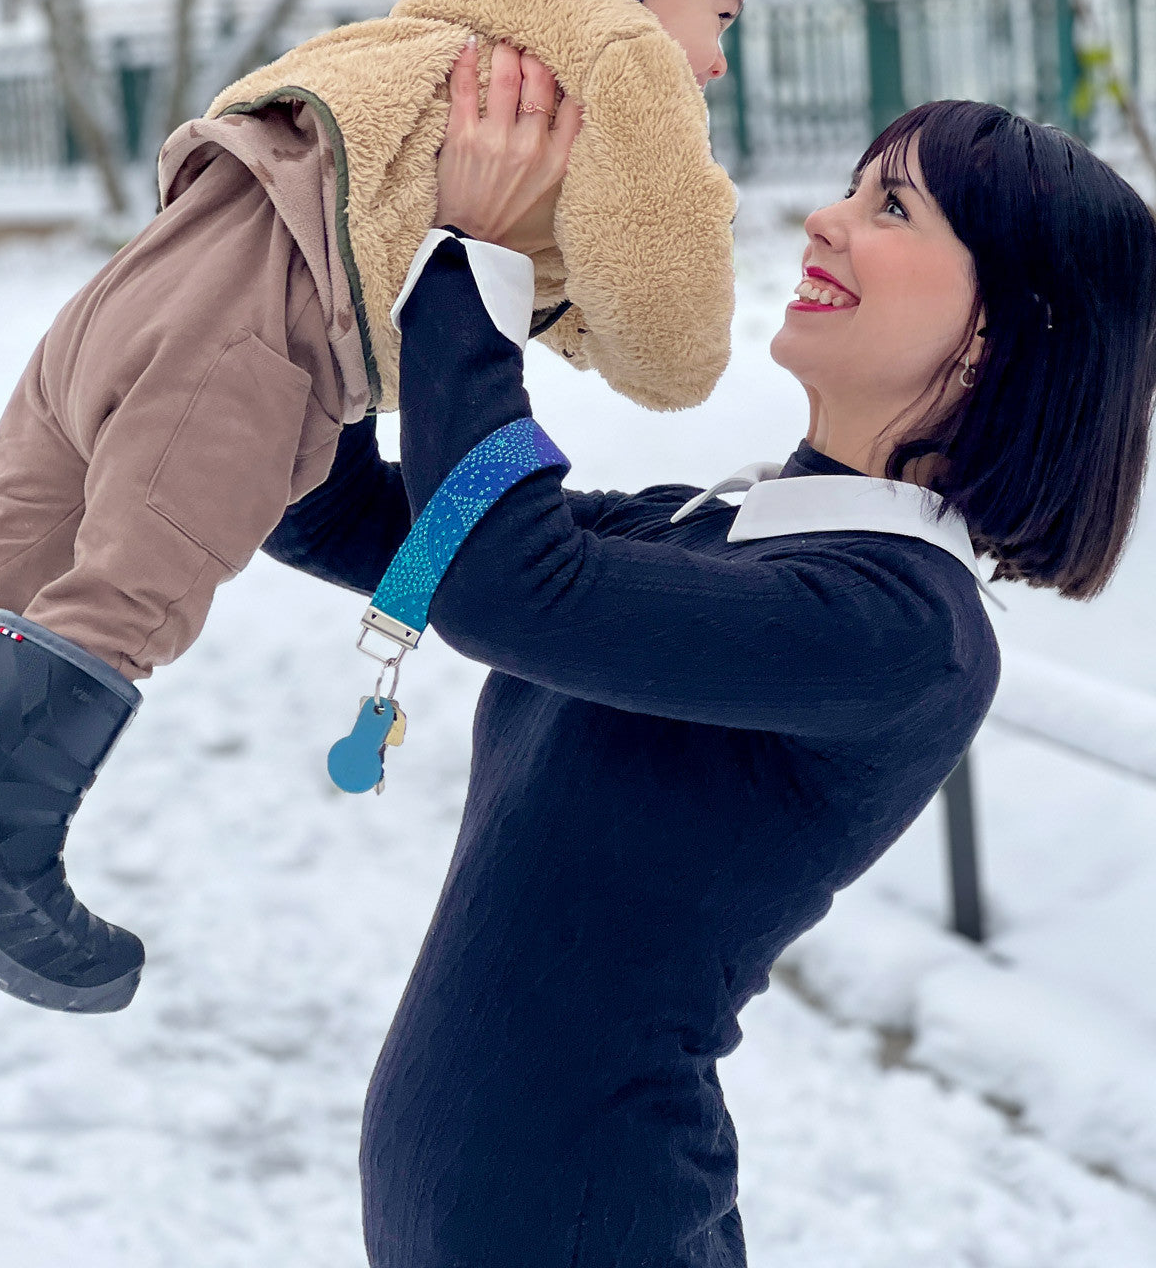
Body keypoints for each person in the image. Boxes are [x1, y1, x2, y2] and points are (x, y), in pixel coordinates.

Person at [262, 72, 1156, 1265]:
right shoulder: (706, 528)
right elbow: (360, 523)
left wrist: (472, 257)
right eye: (850, 191)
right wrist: (280, 264)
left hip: (592, 1218)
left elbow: (505, 583)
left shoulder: (902, 626)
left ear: (998, 331)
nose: (826, 221)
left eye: (894, 210)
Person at [0, 0, 768, 1014]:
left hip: (124, 299)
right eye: (718, 12)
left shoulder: (410, 41)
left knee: (4, 555)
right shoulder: (613, 57)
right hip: (247, 350)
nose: (718, 55)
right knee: (130, 595)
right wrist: (681, 194)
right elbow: (672, 343)